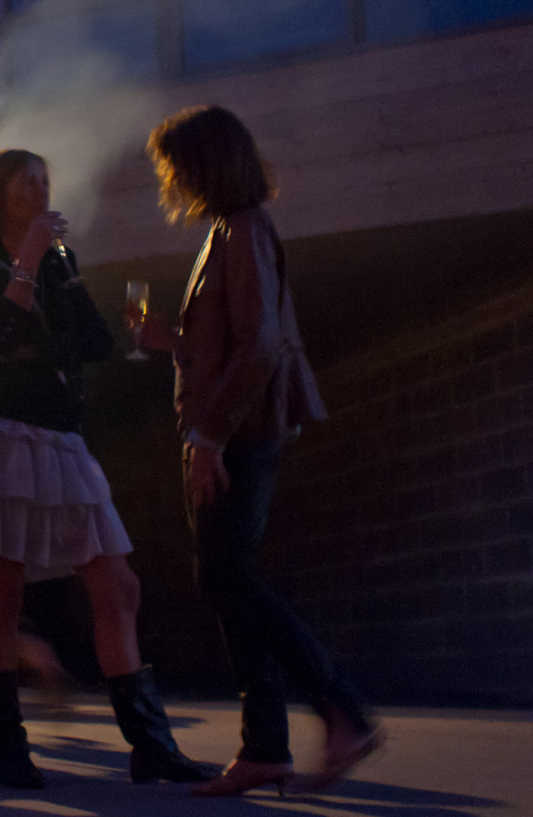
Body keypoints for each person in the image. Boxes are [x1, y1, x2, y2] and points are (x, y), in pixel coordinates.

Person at [0, 148, 206, 789]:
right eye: (28, 179)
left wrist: (24, 331)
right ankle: (9, 745)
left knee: (117, 584)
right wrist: (26, 262)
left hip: (59, 434)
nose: (42, 186)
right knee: (3, 585)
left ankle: (150, 745)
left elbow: (93, 344)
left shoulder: (63, 262)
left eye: (45, 178)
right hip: (1, 432)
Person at [146, 104, 382, 796]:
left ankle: (342, 714)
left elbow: (261, 345)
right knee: (227, 576)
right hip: (235, 431)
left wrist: (208, 438)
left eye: (176, 166)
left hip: (241, 434)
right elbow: (228, 342)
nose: (171, 180)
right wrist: (172, 342)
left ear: (203, 163)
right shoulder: (229, 231)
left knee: (229, 576)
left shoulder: (243, 230)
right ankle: (266, 748)